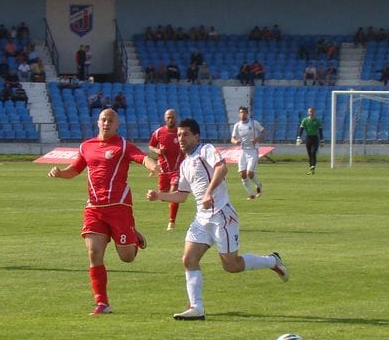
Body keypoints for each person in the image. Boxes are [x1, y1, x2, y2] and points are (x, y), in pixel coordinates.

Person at [147, 118, 288, 320]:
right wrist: (160, 195)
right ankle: (197, 308)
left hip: (222, 215)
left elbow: (222, 169)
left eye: (185, 134)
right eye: (178, 135)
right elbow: (182, 196)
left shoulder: (206, 150)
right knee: (188, 259)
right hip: (201, 219)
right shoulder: (185, 163)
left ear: (196, 136)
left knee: (231, 265)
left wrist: (209, 193)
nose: (181, 138)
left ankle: (272, 261)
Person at [47, 108, 157, 315]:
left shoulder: (123, 145)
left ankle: (132, 236)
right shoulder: (86, 146)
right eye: (103, 120)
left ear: (117, 125)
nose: (106, 123)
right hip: (94, 208)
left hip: (119, 207)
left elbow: (142, 157)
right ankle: (102, 303)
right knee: (94, 252)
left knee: (127, 257)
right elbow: (75, 170)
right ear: (98, 122)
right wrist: (60, 173)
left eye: (111, 121)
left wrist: (153, 166)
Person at [148, 107, 184, 231]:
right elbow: (151, 146)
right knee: (163, 195)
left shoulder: (180, 132)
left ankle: (171, 222)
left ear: (176, 118)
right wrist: (158, 150)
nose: (170, 119)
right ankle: (166, 198)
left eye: (172, 117)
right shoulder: (158, 133)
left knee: (174, 192)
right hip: (164, 170)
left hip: (178, 170)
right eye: (168, 117)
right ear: (165, 119)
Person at [230, 105, 265, 199]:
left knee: (250, 174)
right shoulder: (237, 125)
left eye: (244, 112)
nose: (242, 114)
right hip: (243, 151)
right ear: (239, 114)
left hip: (253, 151)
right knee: (242, 174)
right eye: (241, 112)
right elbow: (232, 139)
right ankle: (251, 194)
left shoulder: (254, 123)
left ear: (247, 113)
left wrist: (256, 140)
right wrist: (235, 142)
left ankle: (259, 185)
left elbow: (264, 132)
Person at [297, 106, 322, 175]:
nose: (311, 113)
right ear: (308, 112)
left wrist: (322, 140)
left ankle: (313, 166)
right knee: (309, 154)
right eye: (310, 111)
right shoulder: (305, 120)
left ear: (314, 112)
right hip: (308, 138)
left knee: (313, 152)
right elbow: (301, 129)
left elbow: (320, 130)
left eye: (312, 111)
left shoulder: (317, 120)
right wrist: (298, 137)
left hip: (315, 138)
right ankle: (311, 168)